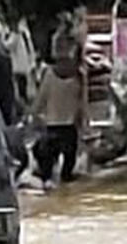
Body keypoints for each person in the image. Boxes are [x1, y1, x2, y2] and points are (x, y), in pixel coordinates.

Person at [31, 55, 86, 187]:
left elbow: (41, 98)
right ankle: (64, 184)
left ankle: (48, 181)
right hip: (69, 125)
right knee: (67, 170)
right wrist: (84, 123)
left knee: (47, 163)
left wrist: (34, 114)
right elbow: (83, 103)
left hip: (52, 125)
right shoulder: (79, 75)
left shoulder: (49, 74)